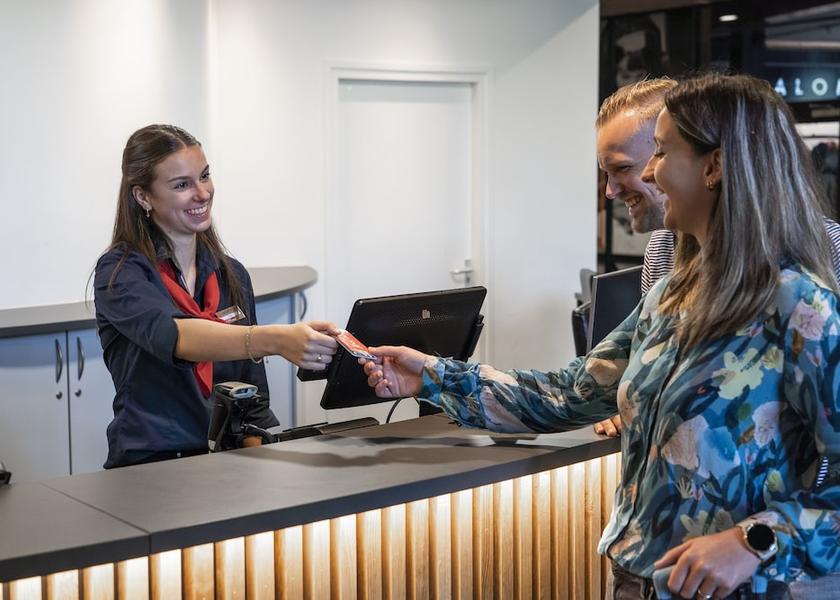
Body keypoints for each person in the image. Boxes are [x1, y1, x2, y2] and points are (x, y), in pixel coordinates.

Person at [362, 74, 840, 599]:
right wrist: (430, 374)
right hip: (636, 580)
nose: (651, 173)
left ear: (716, 166)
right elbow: (567, 394)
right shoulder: (671, 295)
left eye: (661, 153)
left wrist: (752, 542)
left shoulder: (801, 306)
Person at [594, 78, 840, 439]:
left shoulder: (816, 275)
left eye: (659, 152)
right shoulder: (665, 253)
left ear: (713, 166)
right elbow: (618, 376)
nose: (611, 190)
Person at [94, 124, 338, 468]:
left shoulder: (231, 274)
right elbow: (175, 335)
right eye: (182, 185)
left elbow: (252, 397)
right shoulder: (120, 273)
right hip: (151, 465)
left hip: (227, 464)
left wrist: (272, 461)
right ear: (143, 196)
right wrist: (275, 339)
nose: (202, 193)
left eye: (204, 176)